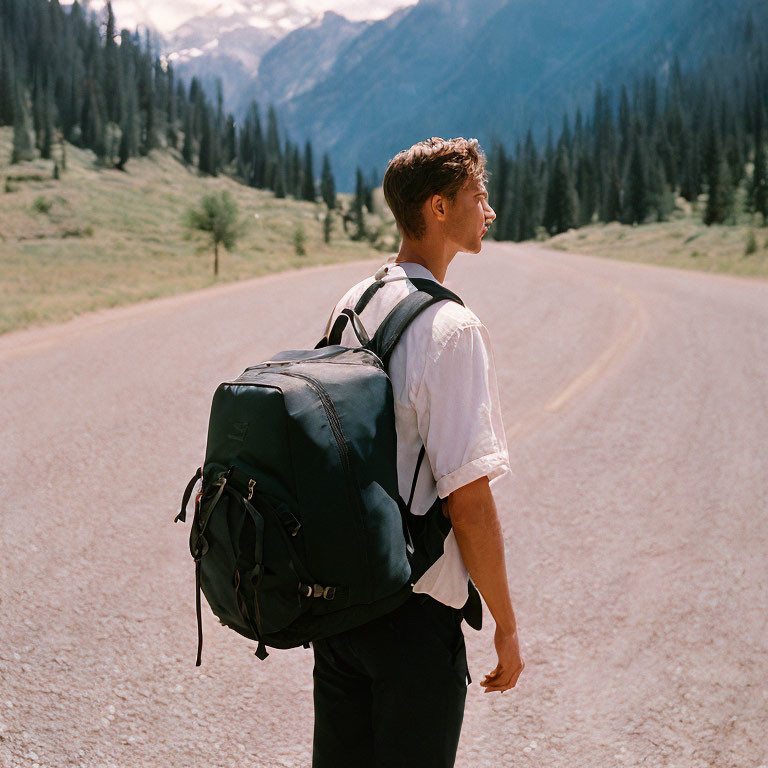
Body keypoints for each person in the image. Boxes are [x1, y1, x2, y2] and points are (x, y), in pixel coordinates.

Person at [311, 137, 524, 768]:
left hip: (344, 601)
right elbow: (469, 502)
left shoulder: (354, 301)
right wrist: (507, 627)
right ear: (437, 207)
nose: (488, 211)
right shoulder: (451, 329)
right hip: (415, 612)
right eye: (477, 196)